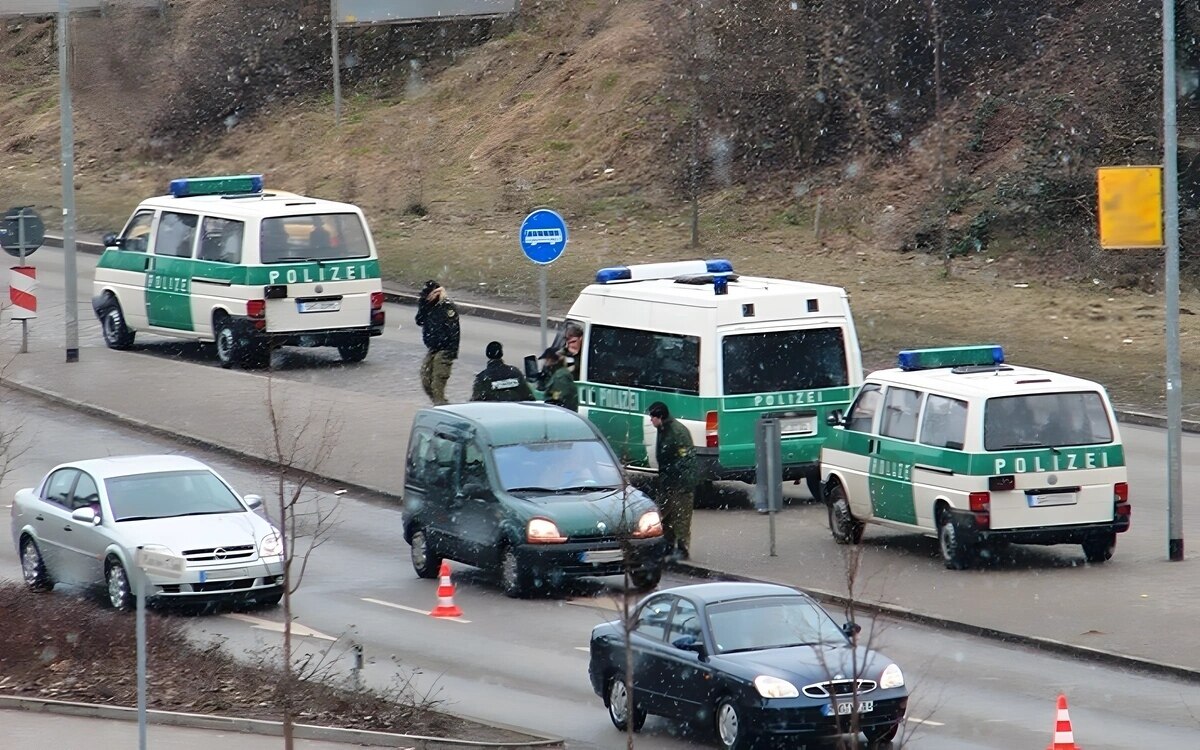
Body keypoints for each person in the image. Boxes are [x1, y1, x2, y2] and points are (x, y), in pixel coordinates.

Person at [648, 401, 699, 560]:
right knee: (666, 515)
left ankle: (682, 549)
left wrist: (676, 477)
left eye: (653, 417)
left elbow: (686, 460)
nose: (651, 420)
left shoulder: (677, 432)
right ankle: (668, 546)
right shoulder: (663, 428)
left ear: (660, 417)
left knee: (681, 516)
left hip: (681, 482)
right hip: (669, 481)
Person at [416, 280, 460, 406]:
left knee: (437, 382)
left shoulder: (446, 307)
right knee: (425, 378)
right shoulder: (427, 305)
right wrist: (423, 305)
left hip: (446, 349)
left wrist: (449, 352)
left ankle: (440, 405)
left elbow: (453, 332)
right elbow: (419, 320)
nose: (426, 298)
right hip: (433, 347)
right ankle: (440, 402)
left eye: (428, 295)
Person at [539, 346, 578, 412]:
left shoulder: (560, 376)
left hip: (562, 413)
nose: (545, 363)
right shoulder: (557, 374)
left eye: (546, 360)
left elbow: (559, 400)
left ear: (550, 360)